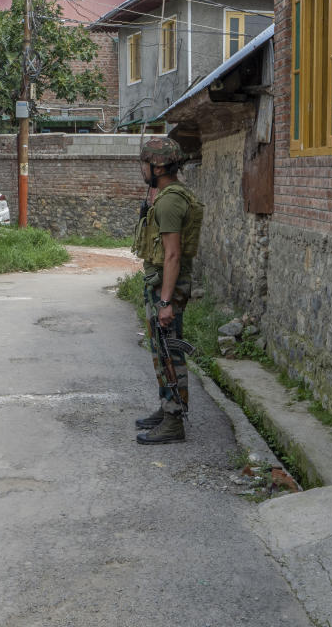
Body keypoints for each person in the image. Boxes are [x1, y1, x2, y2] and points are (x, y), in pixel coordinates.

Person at [131, 137, 203, 445]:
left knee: (169, 353)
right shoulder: (166, 196)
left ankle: (174, 421)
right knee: (161, 352)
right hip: (160, 282)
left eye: (145, 163)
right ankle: (167, 407)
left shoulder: (172, 202)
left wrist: (165, 302)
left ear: (158, 167)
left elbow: (172, 254)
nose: (142, 169)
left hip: (166, 286)